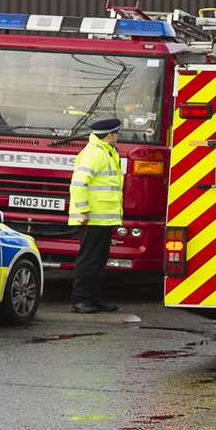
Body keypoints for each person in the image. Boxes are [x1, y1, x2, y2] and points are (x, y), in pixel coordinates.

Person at [66, 117, 124, 314]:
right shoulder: (95, 154)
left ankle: (95, 299)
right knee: (89, 259)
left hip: (103, 217)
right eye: (116, 134)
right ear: (110, 136)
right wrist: (82, 211)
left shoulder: (106, 152)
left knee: (98, 260)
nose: (118, 137)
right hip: (92, 218)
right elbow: (78, 183)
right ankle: (81, 299)